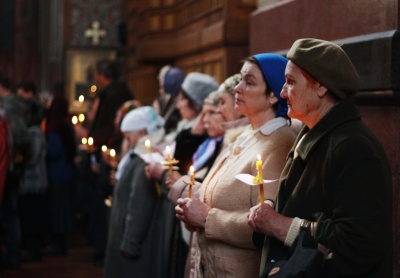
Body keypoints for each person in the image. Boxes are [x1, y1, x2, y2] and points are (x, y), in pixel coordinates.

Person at [247, 38, 392, 277]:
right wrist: (273, 208)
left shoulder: (354, 147)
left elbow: (361, 241)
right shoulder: (312, 130)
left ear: (322, 87)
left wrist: (279, 224)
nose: (283, 92)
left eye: (290, 82)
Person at [175, 54, 297, 277]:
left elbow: (264, 227)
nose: (238, 89)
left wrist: (206, 218)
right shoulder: (244, 136)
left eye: (248, 82)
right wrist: (191, 209)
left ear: (273, 95)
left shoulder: (278, 144)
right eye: (240, 80)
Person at [103, 106, 165, 278]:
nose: (128, 142)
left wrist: (130, 243)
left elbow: (140, 205)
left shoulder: (146, 158)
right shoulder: (140, 154)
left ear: (142, 132)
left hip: (131, 242)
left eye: (129, 137)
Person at [16, 81, 48, 263]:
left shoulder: (35, 132)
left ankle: (33, 250)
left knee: (32, 220)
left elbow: (32, 157)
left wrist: (20, 157)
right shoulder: (33, 131)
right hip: (32, 182)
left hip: (33, 182)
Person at [43, 95, 78, 256]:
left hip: (58, 174)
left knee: (57, 212)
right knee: (63, 211)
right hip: (67, 172)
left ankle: (57, 244)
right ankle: (60, 242)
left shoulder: (56, 128)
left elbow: (54, 152)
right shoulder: (67, 126)